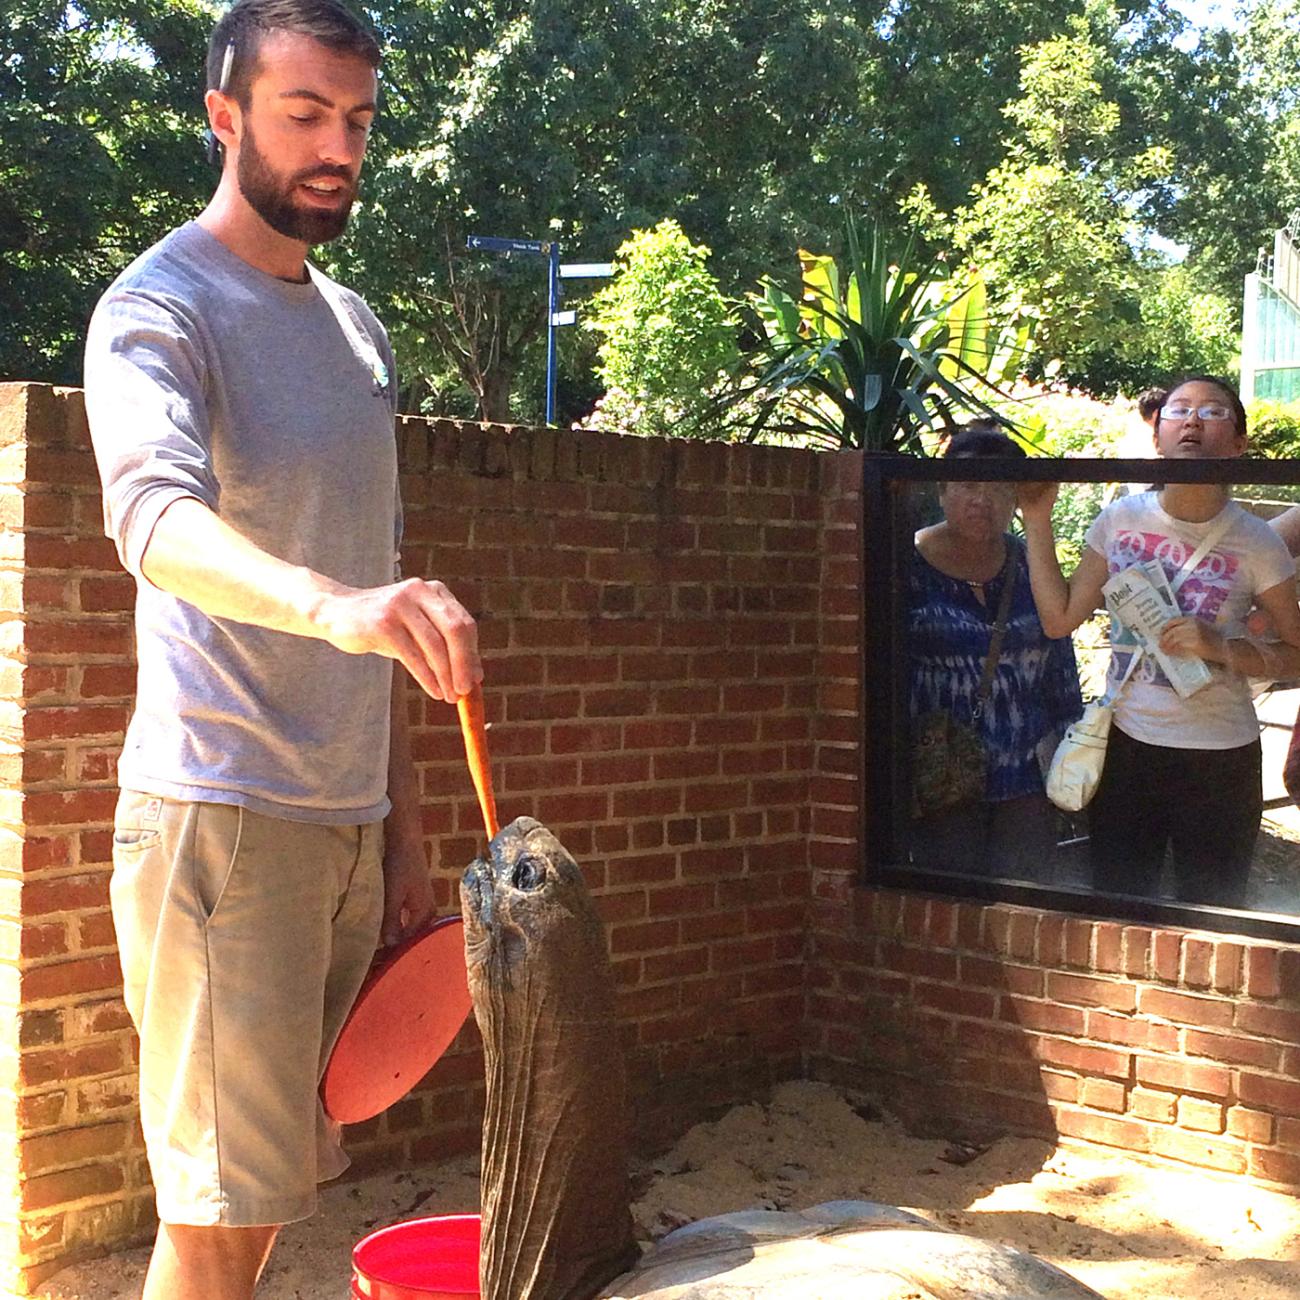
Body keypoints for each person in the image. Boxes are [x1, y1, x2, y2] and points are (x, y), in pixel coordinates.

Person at [82, 3, 481, 1298]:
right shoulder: (159, 307)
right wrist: (332, 605)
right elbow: (154, 520)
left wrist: (404, 828)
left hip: (344, 827)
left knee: (251, 1206)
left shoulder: (355, 331)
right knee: (217, 1213)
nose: (338, 148)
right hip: (222, 819)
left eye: (357, 121)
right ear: (224, 115)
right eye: (305, 113)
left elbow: (384, 607)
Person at [1019, 375, 1300, 908]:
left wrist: (1221, 646)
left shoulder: (1259, 542)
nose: (1193, 421)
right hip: (1128, 748)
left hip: (1222, 758)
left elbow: (1297, 652)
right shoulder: (1118, 522)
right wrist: (1037, 520)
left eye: (1214, 412)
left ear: (1239, 444)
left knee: (1216, 918)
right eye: (1179, 410)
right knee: (1119, 908)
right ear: (1158, 436)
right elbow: (1059, 620)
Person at [908, 426, 1082, 877]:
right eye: (968, 485)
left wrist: (1070, 754)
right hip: (940, 774)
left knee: (1026, 908)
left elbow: (1059, 660)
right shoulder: (905, 564)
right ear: (943, 490)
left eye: (999, 487)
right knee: (947, 906)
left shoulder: (1030, 562)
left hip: (1025, 773)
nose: (981, 500)